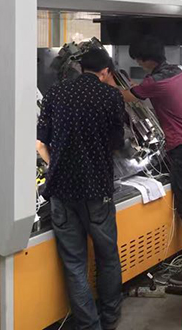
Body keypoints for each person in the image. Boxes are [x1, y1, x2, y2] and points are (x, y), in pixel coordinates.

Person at [36, 48, 125, 330]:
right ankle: (110, 317)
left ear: (81, 67)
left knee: (74, 263)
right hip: (97, 190)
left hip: (62, 191)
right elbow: (118, 143)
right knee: (107, 257)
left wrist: (57, 164)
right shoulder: (110, 96)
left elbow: (41, 142)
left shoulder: (55, 92)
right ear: (106, 71)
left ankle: (89, 324)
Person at [120, 35, 182, 285]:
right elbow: (144, 90)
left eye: (138, 60)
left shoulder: (154, 82)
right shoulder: (176, 72)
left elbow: (127, 97)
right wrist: (135, 87)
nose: (138, 64)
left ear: (145, 59)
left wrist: (105, 82)